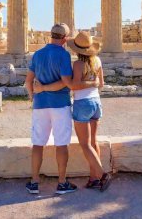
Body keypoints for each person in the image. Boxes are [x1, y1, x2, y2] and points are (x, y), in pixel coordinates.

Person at [25, 24, 99, 195]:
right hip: (60, 105)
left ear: (51, 36)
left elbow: (28, 81)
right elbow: (66, 82)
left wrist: (34, 96)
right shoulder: (63, 55)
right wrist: (46, 89)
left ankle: (34, 182)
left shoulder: (38, 54)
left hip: (40, 105)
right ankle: (62, 182)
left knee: (37, 143)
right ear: (65, 38)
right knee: (61, 144)